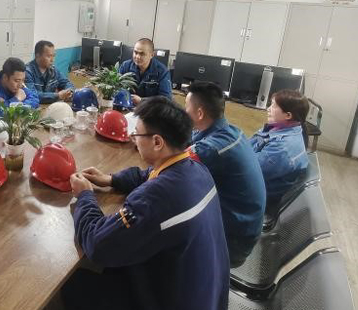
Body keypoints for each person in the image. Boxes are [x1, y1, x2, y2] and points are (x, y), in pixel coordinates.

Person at [64, 96, 229, 310]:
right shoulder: (196, 168)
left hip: (174, 300)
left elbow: (97, 245)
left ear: (157, 142)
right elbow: (149, 174)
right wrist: (111, 179)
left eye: (137, 134)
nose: (133, 138)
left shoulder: (154, 199)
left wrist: (85, 196)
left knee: (76, 284)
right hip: (206, 294)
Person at [185, 81, 266, 267]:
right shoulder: (229, 131)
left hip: (232, 244)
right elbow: (190, 142)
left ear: (199, 113)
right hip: (242, 229)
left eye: (186, 107)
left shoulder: (212, 148)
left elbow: (173, 167)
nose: (183, 112)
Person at [250, 89, 309, 209]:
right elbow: (248, 146)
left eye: (273, 106)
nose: (268, 109)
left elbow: (248, 172)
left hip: (256, 197)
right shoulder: (279, 129)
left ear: (288, 115)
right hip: (257, 185)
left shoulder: (282, 148)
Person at [118, 38, 172, 104]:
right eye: (135, 52)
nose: (137, 57)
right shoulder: (125, 66)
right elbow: (116, 87)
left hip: (150, 108)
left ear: (151, 55)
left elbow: (166, 99)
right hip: (127, 106)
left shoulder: (162, 71)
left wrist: (142, 100)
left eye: (142, 54)